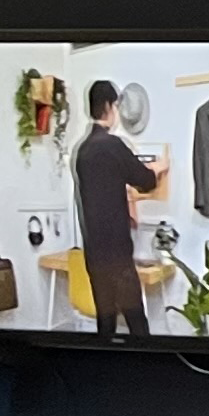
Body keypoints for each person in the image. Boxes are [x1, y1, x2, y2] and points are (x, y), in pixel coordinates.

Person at [72, 78, 165, 337]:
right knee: (137, 323)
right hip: (117, 253)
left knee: (106, 322)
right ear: (109, 106)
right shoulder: (112, 145)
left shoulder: (81, 150)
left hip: (94, 251)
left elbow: (100, 189)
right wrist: (157, 168)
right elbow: (145, 181)